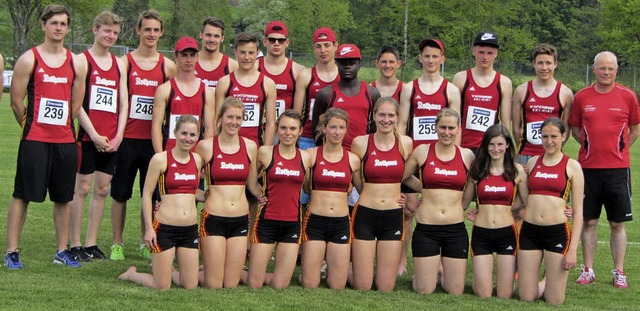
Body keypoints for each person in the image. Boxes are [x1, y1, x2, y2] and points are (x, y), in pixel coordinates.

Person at [5, 4, 87, 269]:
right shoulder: (29, 59)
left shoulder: (76, 63)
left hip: (64, 142)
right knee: (22, 195)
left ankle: (62, 250)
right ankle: (11, 251)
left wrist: (60, 127)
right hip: (34, 140)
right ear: (43, 25)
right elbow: (16, 103)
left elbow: (75, 106)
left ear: (68, 28)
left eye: (63, 24)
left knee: (64, 197)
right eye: (54, 23)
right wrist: (31, 126)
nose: (58, 28)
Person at [110, 10, 176, 261]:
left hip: (154, 142)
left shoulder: (167, 66)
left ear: (161, 33)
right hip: (127, 140)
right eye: (146, 29)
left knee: (149, 194)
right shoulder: (124, 63)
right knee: (120, 194)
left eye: (156, 30)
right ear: (138, 31)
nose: (151, 34)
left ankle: (144, 240)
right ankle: (117, 243)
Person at [570, 51, 639, 289]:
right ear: (594, 69)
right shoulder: (581, 97)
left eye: (610, 68)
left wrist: (617, 150)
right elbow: (576, 130)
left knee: (617, 223)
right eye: (601, 68)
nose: (606, 72)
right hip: (588, 169)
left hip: (618, 171)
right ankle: (587, 269)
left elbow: (634, 129)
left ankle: (619, 271)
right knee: (588, 221)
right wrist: (592, 148)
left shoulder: (628, 96)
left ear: (616, 70)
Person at [397, 38, 461, 275]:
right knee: (407, 211)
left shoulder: (451, 90)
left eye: (435, 56)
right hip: (415, 158)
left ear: (442, 59)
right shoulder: (409, 88)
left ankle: (441, 263)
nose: (431, 60)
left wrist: (456, 160)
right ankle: (403, 261)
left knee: (441, 211)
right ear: (420, 58)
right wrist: (402, 156)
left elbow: (457, 127)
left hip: (442, 159)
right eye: (427, 56)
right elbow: (402, 124)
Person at [69, 11, 128, 261]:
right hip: (87, 137)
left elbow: (124, 103)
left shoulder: (119, 64)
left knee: (102, 190)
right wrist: (93, 134)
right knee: (81, 188)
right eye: (106, 31)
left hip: (111, 139)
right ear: (95, 30)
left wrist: (118, 136)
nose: (111, 36)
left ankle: (92, 243)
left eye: (115, 32)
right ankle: (75, 243)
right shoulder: (82, 61)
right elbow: (76, 103)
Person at [118, 115, 202, 290]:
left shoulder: (197, 160)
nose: (188, 138)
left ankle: (169, 270)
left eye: (192, 135)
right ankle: (132, 274)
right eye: (184, 133)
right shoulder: (160, 159)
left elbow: (190, 190)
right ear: (175, 133)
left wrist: (210, 195)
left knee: (190, 285)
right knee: (162, 286)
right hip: (165, 229)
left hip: (189, 230)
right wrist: (149, 229)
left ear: (198, 136)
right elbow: (147, 195)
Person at [402, 108, 475, 295]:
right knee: (424, 289)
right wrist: (425, 188)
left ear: (459, 129)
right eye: (442, 127)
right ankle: (420, 276)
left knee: (455, 290)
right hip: (427, 228)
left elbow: (474, 184)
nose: (446, 132)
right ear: (435, 127)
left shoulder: (467, 155)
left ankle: (441, 271)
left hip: (455, 229)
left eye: (451, 128)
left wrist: (465, 204)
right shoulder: (422, 152)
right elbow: (403, 176)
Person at [349, 97, 413, 292]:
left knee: (385, 287)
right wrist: (370, 193)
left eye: (391, 115)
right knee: (363, 286)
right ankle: (341, 270)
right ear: (374, 116)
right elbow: (357, 177)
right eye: (382, 115)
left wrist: (427, 193)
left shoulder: (405, 143)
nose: (386, 120)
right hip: (366, 212)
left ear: (398, 117)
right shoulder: (360, 143)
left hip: (393, 215)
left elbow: (407, 177)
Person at [243, 109, 312, 289]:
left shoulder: (306, 157)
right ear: (277, 129)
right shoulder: (265, 152)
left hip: (292, 223)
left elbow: (306, 187)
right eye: (283, 128)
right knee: (254, 284)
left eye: (292, 128)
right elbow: (252, 183)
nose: (287, 133)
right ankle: (236, 271)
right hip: (266, 221)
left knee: (279, 285)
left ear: (300, 131)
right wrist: (260, 195)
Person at [196, 97, 261, 288]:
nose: (234, 122)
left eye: (238, 118)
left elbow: (252, 185)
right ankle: (183, 275)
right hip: (214, 218)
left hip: (240, 219)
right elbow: (187, 179)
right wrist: (199, 195)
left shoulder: (250, 146)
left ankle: (205, 267)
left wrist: (267, 195)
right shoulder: (206, 146)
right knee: (214, 285)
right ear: (221, 118)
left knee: (230, 284)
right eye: (229, 117)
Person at [518, 117, 583, 304]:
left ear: (563, 136)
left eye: (554, 136)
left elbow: (578, 212)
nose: (549, 141)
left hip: (557, 232)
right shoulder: (531, 163)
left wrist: (572, 251)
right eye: (544, 136)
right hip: (530, 231)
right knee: (526, 297)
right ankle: (542, 282)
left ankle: (549, 280)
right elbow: (523, 197)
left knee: (554, 300)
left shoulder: (572, 166)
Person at [462, 124, 527, 299]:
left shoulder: (517, 171)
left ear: (507, 145)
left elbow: (526, 200)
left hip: (506, 232)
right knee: (484, 294)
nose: (495, 149)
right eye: (491, 144)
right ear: (485, 145)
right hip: (481, 233)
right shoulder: (476, 172)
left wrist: (507, 207)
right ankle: (478, 281)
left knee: (504, 295)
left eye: (500, 144)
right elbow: (464, 202)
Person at [299, 108, 361, 289]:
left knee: (337, 286)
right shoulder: (310, 155)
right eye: (333, 127)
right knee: (309, 284)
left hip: (340, 222)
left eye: (342, 127)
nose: (337, 132)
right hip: (315, 221)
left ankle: (339, 269)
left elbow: (364, 190)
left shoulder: (352, 160)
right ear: (323, 128)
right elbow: (301, 185)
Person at [293, 26, 339, 206]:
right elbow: (297, 113)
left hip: (335, 140)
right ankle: (301, 234)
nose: (323, 50)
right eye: (319, 46)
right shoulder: (306, 75)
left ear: (335, 46)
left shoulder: (343, 75)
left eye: (327, 45)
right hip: (308, 139)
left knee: (330, 190)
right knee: (303, 194)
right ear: (314, 48)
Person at [312, 43, 381, 150]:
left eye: (352, 63)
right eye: (343, 63)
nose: (347, 67)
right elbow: (317, 129)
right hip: (334, 153)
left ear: (359, 65)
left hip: (362, 152)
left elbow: (375, 126)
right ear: (337, 65)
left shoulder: (372, 93)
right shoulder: (325, 94)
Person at [513, 43, 573, 165]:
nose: (544, 67)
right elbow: (515, 127)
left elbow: (566, 129)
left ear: (555, 64)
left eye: (548, 63)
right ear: (534, 64)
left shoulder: (565, 93)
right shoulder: (521, 90)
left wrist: (553, 149)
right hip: (526, 155)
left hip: (553, 157)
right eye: (540, 63)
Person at [152, 36, 214, 153]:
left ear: (197, 57)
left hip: (195, 155)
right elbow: (156, 126)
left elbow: (209, 128)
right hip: (169, 153)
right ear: (176, 56)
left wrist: (203, 158)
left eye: (192, 55)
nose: (188, 59)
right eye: (184, 55)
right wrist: (160, 156)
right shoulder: (164, 89)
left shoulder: (206, 91)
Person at [452, 32, 512, 153]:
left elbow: (505, 123)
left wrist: (507, 152)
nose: (485, 57)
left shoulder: (504, 82)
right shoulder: (461, 78)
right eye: (481, 52)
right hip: (463, 145)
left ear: (496, 54)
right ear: (474, 51)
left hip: (490, 148)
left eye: (489, 53)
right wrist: (455, 148)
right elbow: (454, 118)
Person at [215, 32, 277, 147]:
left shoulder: (268, 84)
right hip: (228, 147)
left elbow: (270, 123)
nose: (247, 57)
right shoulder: (224, 82)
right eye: (242, 52)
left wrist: (266, 150)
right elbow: (218, 120)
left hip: (256, 146)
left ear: (257, 53)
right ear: (235, 52)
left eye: (251, 53)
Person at [258, 21, 306, 119]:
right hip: (259, 129)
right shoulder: (253, 67)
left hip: (285, 130)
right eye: (272, 40)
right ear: (264, 41)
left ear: (287, 42)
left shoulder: (298, 71)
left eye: (281, 40)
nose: (276, 43)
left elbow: (299, 111)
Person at [195, 17, 238, 92]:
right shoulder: (188, 63)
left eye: (216, 36)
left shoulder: (232, 66)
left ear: (222, 38)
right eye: (208, 35)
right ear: (201, 35)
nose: (212, 40)